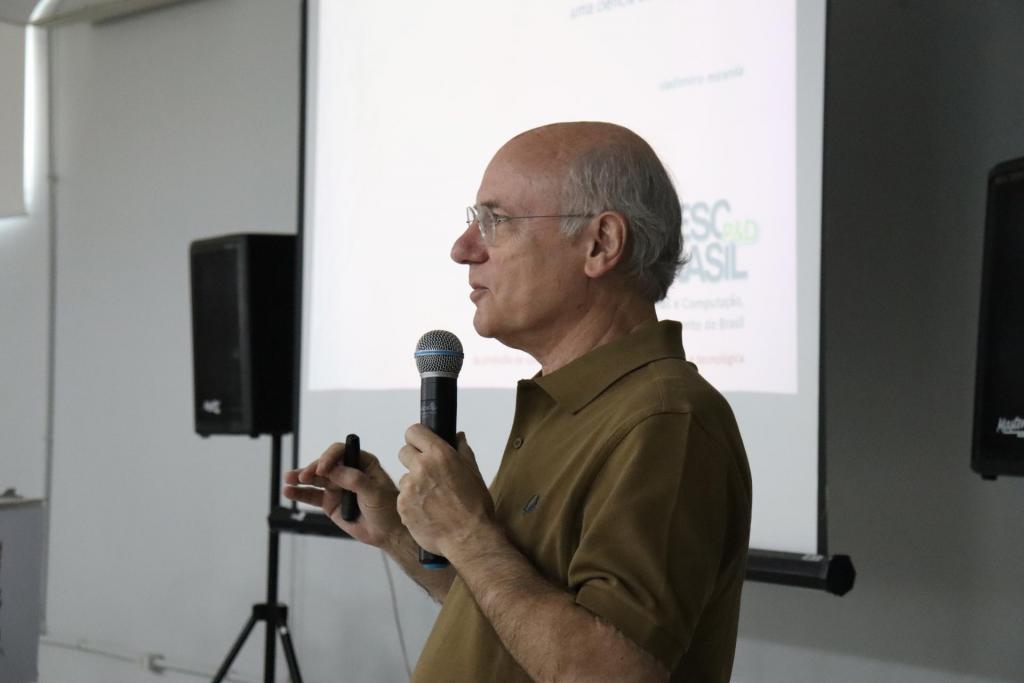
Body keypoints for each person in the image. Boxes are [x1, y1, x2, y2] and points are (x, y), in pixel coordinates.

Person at [283, 122, 752, 682]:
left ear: (600, 243)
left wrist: (466, 533)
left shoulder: (666, 421)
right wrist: (404, 536)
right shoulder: (568, 404)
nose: (463, 249)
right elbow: (510, 620)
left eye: (495, 221)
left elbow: (607, 674)